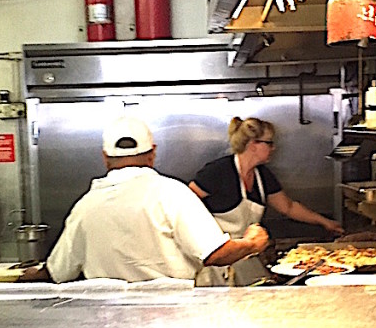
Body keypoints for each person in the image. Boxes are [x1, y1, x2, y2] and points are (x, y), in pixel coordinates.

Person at [22, 116, 269, 283]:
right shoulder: (171, 193)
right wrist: (252, 243)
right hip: (172, 319)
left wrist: (18, 278)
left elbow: (57, 271)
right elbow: (216, 254)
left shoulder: (85, 207)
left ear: (105, 158)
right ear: (152, 154)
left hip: (107, 326)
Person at [190, 117, 343, 284]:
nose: (273, 147)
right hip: (217, 263)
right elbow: (186, 204)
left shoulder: (262, 176)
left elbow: (288, 207)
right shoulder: (217, 172)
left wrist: (325, 222)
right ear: (252, 145)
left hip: (247, 257)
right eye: (269, 143)